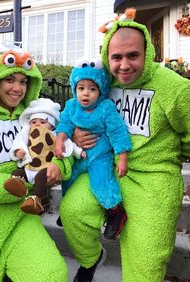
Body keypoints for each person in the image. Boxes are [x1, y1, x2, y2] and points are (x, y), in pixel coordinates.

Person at [47, 9, 190, 282]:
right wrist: (74, 137)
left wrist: (171, 155)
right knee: (72, 212)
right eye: (116, 57)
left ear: (148, 52)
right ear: (107, 57)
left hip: (153, 178)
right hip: (108, 167)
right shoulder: (101, 83)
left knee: (146, 261)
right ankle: (92, 259)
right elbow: (76, 116)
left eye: (133, 56)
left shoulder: (175, 89)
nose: (124, 66)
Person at [0, 46, 67, 282]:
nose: (18, 88)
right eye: (10, 79)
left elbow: (60, 148)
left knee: (50, 275)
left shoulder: (35, 116)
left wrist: (60, 167)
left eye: (23, 81)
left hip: (22, 218)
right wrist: (24, 188)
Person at [54, 58, 132, 240]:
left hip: (99, 155)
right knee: (69, 179)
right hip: (79, 155)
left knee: (101, 182)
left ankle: (114, 211)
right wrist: (59, 140)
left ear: (101, 91)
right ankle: (66, 211)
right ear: (75, 89)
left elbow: (117, 131)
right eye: (81, 88)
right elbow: (64, 124)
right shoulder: (72, 106)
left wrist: (122, 157)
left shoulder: (106, 108)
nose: (86, 94)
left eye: (92, 89)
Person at [4, 97, 84, 215]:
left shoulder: (55, 134)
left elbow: (68, 143)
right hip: (28, 167)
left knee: (41, 178)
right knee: (17, 173)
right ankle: (18, 186)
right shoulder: (26, 133)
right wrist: (17, 151)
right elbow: (18, 141)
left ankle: (35, 199)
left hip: (44, 167)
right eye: (34, 122)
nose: (37, 125)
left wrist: (78, 151)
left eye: (42, 122)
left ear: (51, 125)